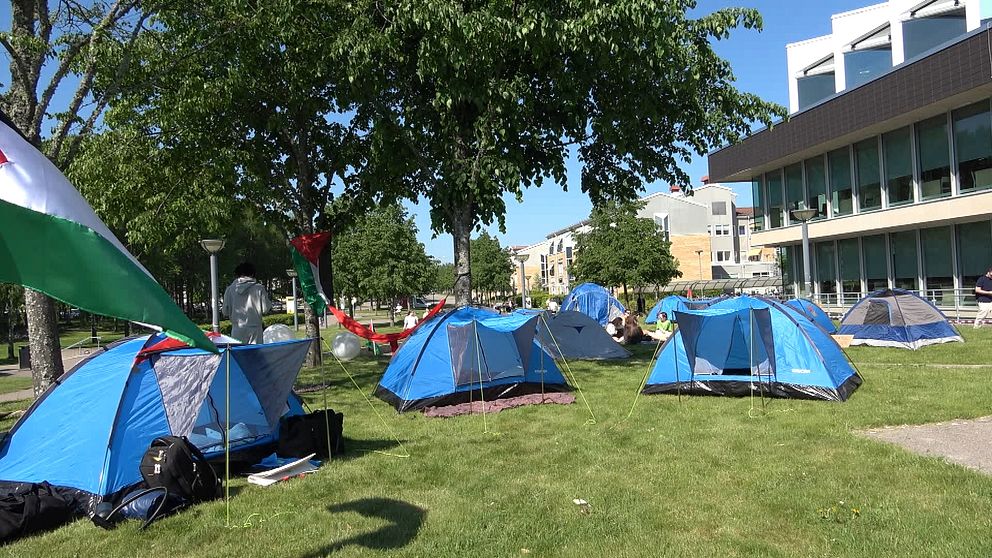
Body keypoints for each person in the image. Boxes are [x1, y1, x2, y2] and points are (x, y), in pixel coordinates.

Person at [222, 262, 272, 344]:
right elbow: (265, 309)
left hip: (237, 329)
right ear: (252, 273)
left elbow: (225, 312)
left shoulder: (230, 289)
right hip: (255, 329)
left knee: (239, 355)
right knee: (255, 355)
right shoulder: (259, 288)